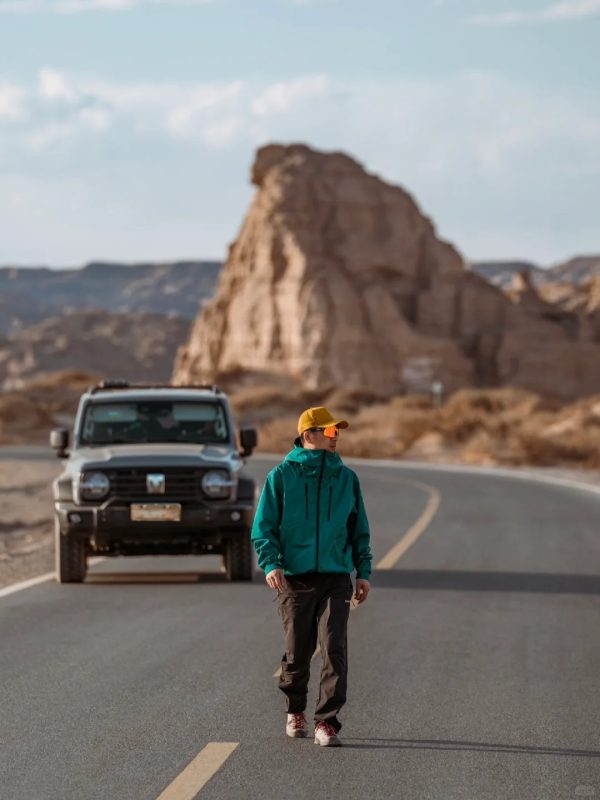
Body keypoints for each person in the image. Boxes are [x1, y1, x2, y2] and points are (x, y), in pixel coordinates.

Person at [251, 406, 372, 747]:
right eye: (331, 432)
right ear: (309, 436)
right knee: (298, 652)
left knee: (334, 648)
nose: (337, 438)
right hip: (295, 578)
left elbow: (358, 528)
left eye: (338, 432)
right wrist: (271, 563)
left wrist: (363, 571)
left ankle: (327, 722)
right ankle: (295, 707)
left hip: (335, 576)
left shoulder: (347, 478)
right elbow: (264, 527)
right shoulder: (281, 477)